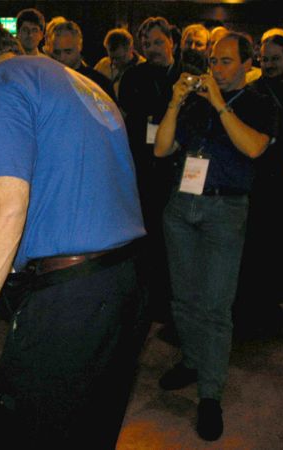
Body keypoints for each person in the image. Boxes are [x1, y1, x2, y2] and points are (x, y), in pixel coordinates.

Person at [0, 25, 146, 449]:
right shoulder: (82, 83)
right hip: (125, 282)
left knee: (25, 434)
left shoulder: (0, 80)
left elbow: (5, 206)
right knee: (88, 431)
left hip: (71, 297)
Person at [154, 32, 277, 441]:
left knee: (215, 307)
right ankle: (192, 360)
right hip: (182, 206)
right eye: (214, 61)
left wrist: (220, 105)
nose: (217, 69)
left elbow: (254, 148)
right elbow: (162, 148)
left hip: (225, 210)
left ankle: (210, 393)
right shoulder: (193, 102)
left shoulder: (262, 102)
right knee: (183, 298)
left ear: (247, 63)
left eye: (226, 61)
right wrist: (175, 101)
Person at [118, 16, 181, 322]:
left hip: (178, 170)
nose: (153, 49)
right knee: (148, 238)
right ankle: (148, 302)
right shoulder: (133, 77)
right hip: (143, 170)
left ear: (172, 41)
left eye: (158, 42)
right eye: (147, 44)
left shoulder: (187, 76)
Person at [238, 32, 283, 328]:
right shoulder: (254, 90)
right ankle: (260, 302)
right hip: (264, 175)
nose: (270, 65)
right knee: (262, 239)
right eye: (265, 59)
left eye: (276, 59)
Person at [44, 19, 116, 100]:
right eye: (57, 52)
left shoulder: (99, 83)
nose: (61, 58)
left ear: (79, 46)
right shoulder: (45, 80)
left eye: (68, 52)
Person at [94, 28, 145, 100]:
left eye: (119, 58)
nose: (114, 63)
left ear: (130, 49)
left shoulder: (144, 70)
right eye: (111, 58)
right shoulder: (103, 64)